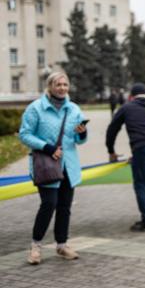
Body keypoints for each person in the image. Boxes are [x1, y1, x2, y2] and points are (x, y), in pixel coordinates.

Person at [19, 72, 88, 264]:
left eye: (65, 85)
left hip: (69, 166)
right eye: (58, 84)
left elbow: (78, 140)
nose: (62, 88)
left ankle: (62, 245)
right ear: (50, 86)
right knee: (48, 204)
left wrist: (82, 133)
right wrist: (48, 148)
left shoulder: (74, 109)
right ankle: (35, 246)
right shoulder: (36, 109)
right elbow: (24, 134)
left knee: (64, 207)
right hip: (47, 166)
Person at [106, 83, 145, 231]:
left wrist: (111, 150)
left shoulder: (127, 107)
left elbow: (112, 128)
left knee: (140, 184)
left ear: (131, 96)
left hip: (142, 148)